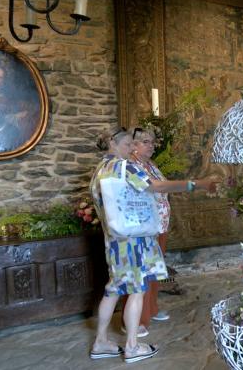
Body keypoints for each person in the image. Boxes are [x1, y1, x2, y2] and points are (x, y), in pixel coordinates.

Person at [89, 127, 216, 363]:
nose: (130, 149)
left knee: (113, 289)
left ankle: (100, 342)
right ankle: (132, 346)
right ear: (113, 145)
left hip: (113, 241)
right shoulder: (123, 167)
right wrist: (196, 184)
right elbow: (156, 186)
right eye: (127, 144)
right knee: (137, 291)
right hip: (133, 241)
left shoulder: (99, 170)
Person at [119, 127, 184, 336]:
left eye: (152, 142)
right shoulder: (130, 166)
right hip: (143, 228)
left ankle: (151, 309)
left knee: (154, 272)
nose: (151, 145)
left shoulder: (151, 165)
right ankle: (135, 321)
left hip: (158, 226)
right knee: (141, 275)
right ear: (134, 145)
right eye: (146, 142)